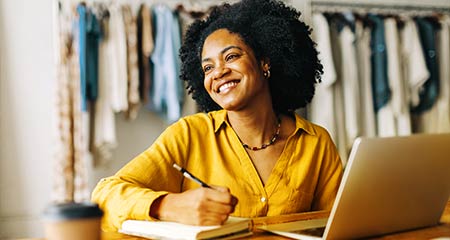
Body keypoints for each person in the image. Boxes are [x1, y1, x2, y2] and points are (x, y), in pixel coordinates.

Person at [92, 0, 343, 232]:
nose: (218, 73)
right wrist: (168, 206)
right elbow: (104, 196)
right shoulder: (189, 135)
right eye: (208, 67)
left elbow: (340, 227)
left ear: (265, 62)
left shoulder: (316, 143)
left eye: (231, 57)